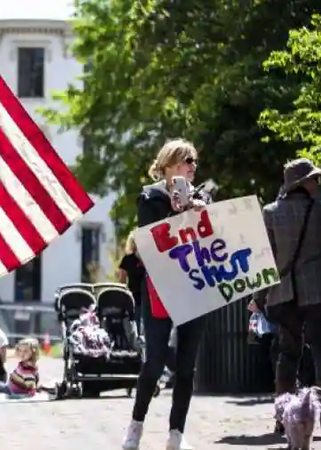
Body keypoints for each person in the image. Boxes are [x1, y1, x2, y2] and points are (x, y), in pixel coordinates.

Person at [122, 139, 208, 450]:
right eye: (187, 160)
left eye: (194, 161)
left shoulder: (202, 197)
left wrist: (201, 212)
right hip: (159, 289)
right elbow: (151, 238)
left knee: (186, 367)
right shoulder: (150, 198)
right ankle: (136, 426)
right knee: (154, 362)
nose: (193, 166)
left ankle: (176, 434)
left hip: (195, 287)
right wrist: (180, 211)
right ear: (170, 165)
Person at [249, 158, 321, 440]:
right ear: (304, 183)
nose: (318, 183)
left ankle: (282, 418)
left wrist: (258, 297)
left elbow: (263, 260)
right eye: (314, 179)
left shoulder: (270, 213)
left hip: (284, 295)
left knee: (288, 355)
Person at [118, 231, 146, 334]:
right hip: (136, 296)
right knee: (138, 321)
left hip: (143, 296)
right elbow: (122, 281)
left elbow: (122, 281)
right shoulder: (128, 259)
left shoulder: (148, 258)